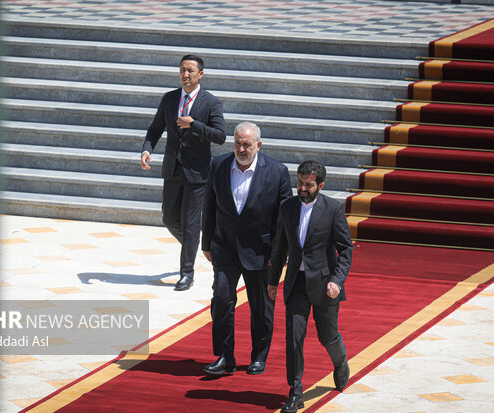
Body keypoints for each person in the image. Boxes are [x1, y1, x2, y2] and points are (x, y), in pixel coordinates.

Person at [201, 122, 292, 375]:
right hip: (225, 248)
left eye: (247, 144)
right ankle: (224, 356)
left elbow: (284, 218)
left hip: (261, 252)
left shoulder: (277, 171)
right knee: (221, 300)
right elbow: (209, 206)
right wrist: (206, 242)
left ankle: (259, 356)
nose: (241, 149)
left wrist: (279, 253)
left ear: (258, 145)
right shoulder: (218, 165)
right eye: (237, 143)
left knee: (261, 307)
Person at [268, 160, 353, 413]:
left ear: (320, 185)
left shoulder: (333, 209)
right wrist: (273, 280)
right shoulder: (287, 207)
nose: (303, 189)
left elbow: (345, 249)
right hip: (296, 283)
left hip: (325, 284)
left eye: (308, 185)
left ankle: (340, 363)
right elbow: (281, 246)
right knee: (293, 339)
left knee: (327, 336)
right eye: (300, 183)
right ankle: (295, 393)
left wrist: (337, 281)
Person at [141, 54, 226, 291]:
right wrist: (147, 150)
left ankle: (186, 273)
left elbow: (220, 136)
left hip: (197, 172)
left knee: (190, 224)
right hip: (173, 168)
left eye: (190, 70)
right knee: (169, 218)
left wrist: (194, 125)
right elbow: (155, 128)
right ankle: (192, 244)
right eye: (182, 70)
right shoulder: (169, 99)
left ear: (200, 74)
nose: (185, 74)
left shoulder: (211, 103)